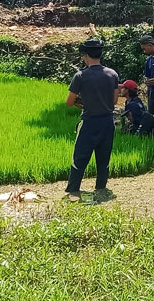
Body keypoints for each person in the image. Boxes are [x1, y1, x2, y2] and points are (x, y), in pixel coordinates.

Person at [65, 39, 119, 201]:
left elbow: (68, 102)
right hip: (107, 122)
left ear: (85, 55)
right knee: (103, 159)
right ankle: (101, 188)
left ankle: (73, 189)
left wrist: (79, 103)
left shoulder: (80, 76)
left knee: (80, 158)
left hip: (89, 122)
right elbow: (114, 101)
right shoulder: (112, 74)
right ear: (101, 54)